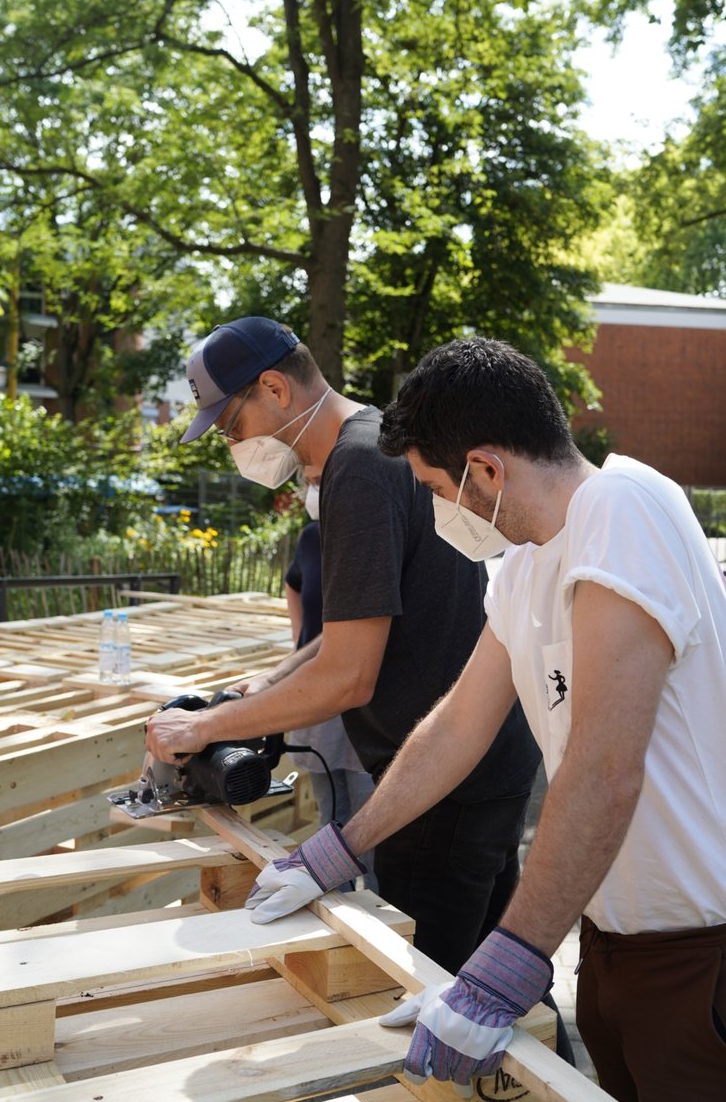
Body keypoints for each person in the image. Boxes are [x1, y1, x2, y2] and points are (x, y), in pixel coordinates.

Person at [243, 335, 726, 1102]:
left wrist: (507, 965)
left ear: (488, 470)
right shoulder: (527, 565)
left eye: (435, 489)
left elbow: (604, 771)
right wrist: (343, 845)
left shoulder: (625, 509)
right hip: (609, 946)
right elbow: (457, 726)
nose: (437, 510)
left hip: (697, 959)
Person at [145, 315, 542, 982]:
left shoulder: (357, 468)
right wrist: (265, 689)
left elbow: (349, 677)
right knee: (499, 992)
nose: (232, 444)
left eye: (230, 426)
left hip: (440, 788)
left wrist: (205, 725)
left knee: (424, 992)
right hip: (483, 767)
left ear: (274, 389)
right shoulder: (375, 443)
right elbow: (353, 629)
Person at [283, 494, 377, 890]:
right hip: (318, 696)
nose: (314, 488)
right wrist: (299, 650)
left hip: (362, 696)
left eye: (320, 480)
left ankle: (376, 917)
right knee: (329, 811)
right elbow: (293, 584)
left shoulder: (370, 538)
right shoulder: (311, 538)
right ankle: (334, 905)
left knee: (369, 819)